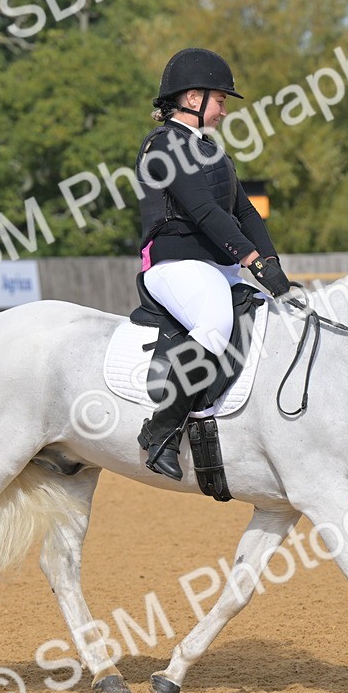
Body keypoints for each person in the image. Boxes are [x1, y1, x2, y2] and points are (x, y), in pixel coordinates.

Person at [134, 48, 292, 481]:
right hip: (174, 263)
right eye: (220, 100)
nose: (224, 109)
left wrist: (272, 262)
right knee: (216, 323)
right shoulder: (163, 146)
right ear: (191, 98)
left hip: (216, 266)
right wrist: (252, 260)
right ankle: (161, 432)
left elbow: (244, 212)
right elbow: (204, 211)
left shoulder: (211, 151)